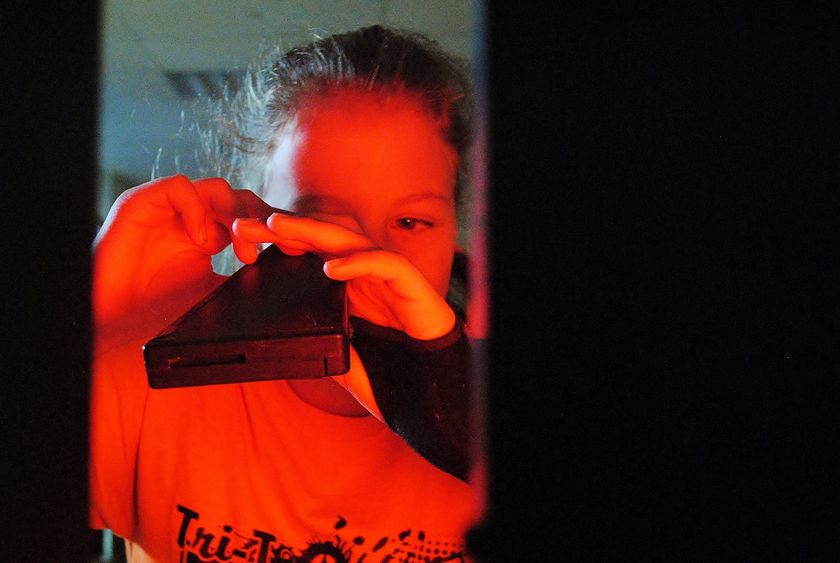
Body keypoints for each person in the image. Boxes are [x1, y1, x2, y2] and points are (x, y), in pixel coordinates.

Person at [90, 25, 479, 563]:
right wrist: (78, 341)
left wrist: (463, 424)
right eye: (321, 220)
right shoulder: (151, 388)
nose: (374, 262)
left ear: (454, 231)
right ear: (251, 221)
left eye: (411, 221)